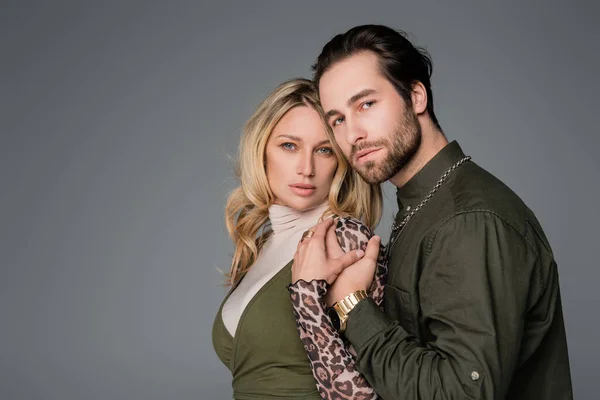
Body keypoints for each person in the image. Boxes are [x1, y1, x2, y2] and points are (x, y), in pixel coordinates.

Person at [291, 24, 573, 399]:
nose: (352, 134)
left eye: (366, 104)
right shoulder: (424, 206)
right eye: (338, 119)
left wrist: (352, 306)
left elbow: (464, 393)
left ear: (416, 95)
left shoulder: (468, 221)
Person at [211, 78, 383, 399]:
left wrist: (309, 298)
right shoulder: (262, 245)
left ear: (341, 161)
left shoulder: (345, 239)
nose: (306, 168)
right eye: (289, 146)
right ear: (261, 150)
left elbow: (365, 395)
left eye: (324, 150)